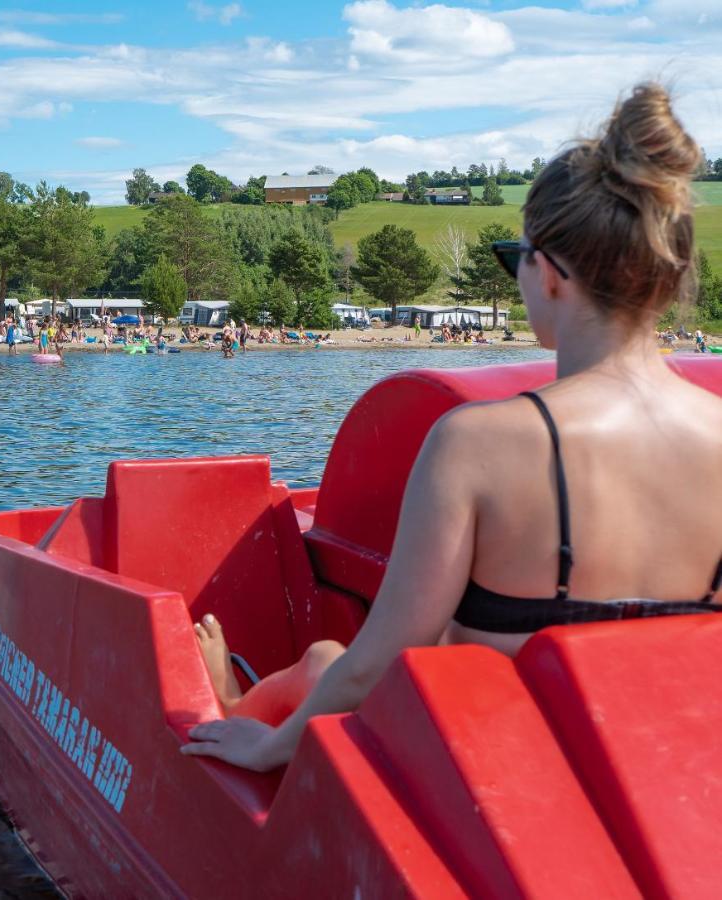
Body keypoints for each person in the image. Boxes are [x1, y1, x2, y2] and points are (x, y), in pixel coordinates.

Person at [182, 83, 722, 773]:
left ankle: (233, 710)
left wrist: (269, 750)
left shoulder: (478, 444)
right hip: (664, 766)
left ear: (551, 274)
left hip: (498, 769)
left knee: (327, 661)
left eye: (514, 257)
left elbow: (376, 664)